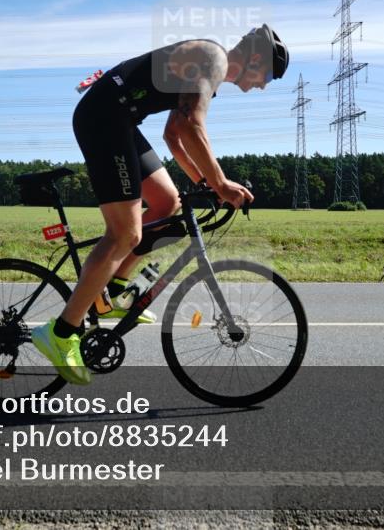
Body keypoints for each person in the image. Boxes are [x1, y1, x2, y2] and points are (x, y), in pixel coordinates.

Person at [32, 25, 290, 384]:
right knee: (125, 234)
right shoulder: (212, 58)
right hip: (104, 118)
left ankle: (116, 289)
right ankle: (61, 333)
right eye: (268, 77)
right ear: (256, 59)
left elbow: (174, 136)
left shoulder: (208, 76)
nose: (263, 85)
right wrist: (220, 183)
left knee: (168, 203)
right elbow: (190, 127)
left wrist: (205, 185)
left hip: (118, 119)